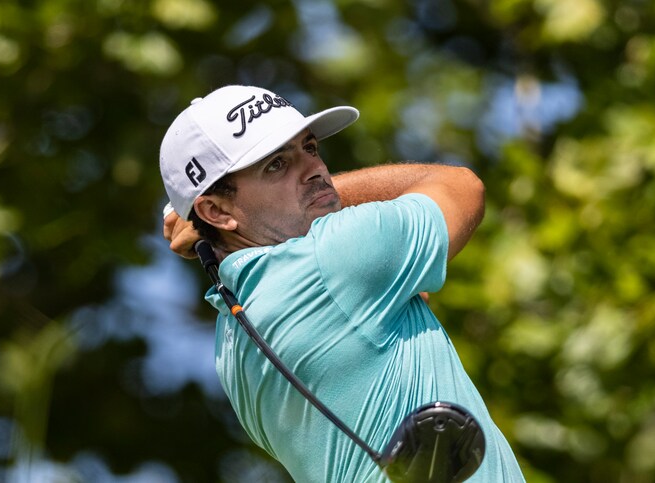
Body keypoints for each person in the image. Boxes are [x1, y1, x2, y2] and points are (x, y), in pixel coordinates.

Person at [159, 85, 524, 482]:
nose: (315, 169)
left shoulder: (230, 342)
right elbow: (461, 186)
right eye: (277, 165)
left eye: (310, 148)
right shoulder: (333, 257)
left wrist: (211, 225)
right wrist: (326, 192)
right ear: (215, 210)